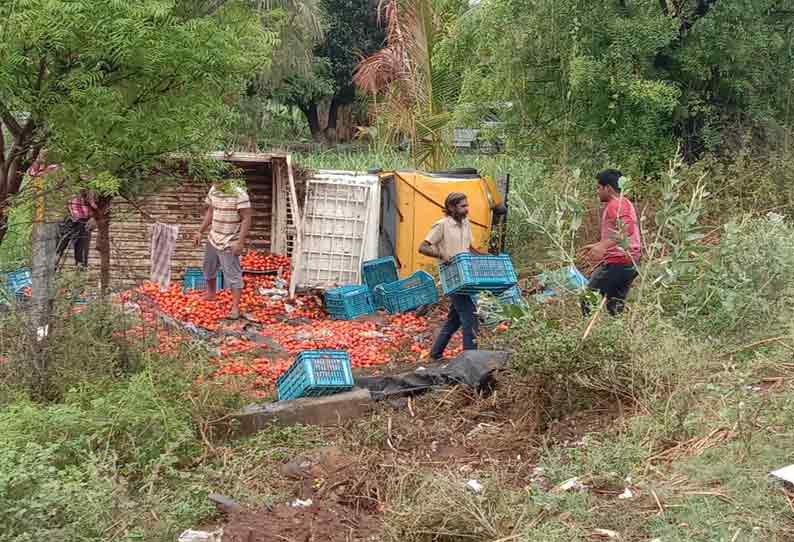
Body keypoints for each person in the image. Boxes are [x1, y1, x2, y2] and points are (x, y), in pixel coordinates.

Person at [419, 192, 485, 361]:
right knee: (470, 317)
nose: (466, 209)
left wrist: (483, 257)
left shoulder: (465, 223)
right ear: (451, 207)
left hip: (466, 277)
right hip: (452, 278)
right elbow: (423, 247)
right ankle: (470, 359)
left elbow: (468, 247)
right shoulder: (442, 225)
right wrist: (442, 254)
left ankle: (435, 354)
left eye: (467, 205)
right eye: (463, 206)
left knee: (454, 320)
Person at [581, 169, 642, 315]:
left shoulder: (616, 205)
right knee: (615, 303)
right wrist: (598, 245)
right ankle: (620, 332)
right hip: (630, 261)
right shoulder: (623, 202)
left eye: (598, 187)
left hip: (620, 262)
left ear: (608, 188)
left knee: (588, 297)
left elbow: (627, 229)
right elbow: (619, 232)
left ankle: (589, 333)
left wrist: (603, 246)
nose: (597, 192)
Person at [194, 179, 252, 319]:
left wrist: (240, 242)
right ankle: (211, 294)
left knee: (232, 274)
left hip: (230, 240)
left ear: (227, 181)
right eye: (214, 181)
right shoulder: (213, 190)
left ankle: (235, 308)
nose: (216, 184)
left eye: (219, 181)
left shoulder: (240, 194)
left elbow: (247, 218)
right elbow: (210, 212)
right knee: (208, 268)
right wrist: (200, 231)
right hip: (213, 238)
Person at [56, 189, 96, 270]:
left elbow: (96, 206)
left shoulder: (92, 191)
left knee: (82, 245)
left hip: (85, 220)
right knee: (61, 244)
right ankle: (54, 263)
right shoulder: (70, 186)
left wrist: (93, 218)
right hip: (69, 219)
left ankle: (80, 266)